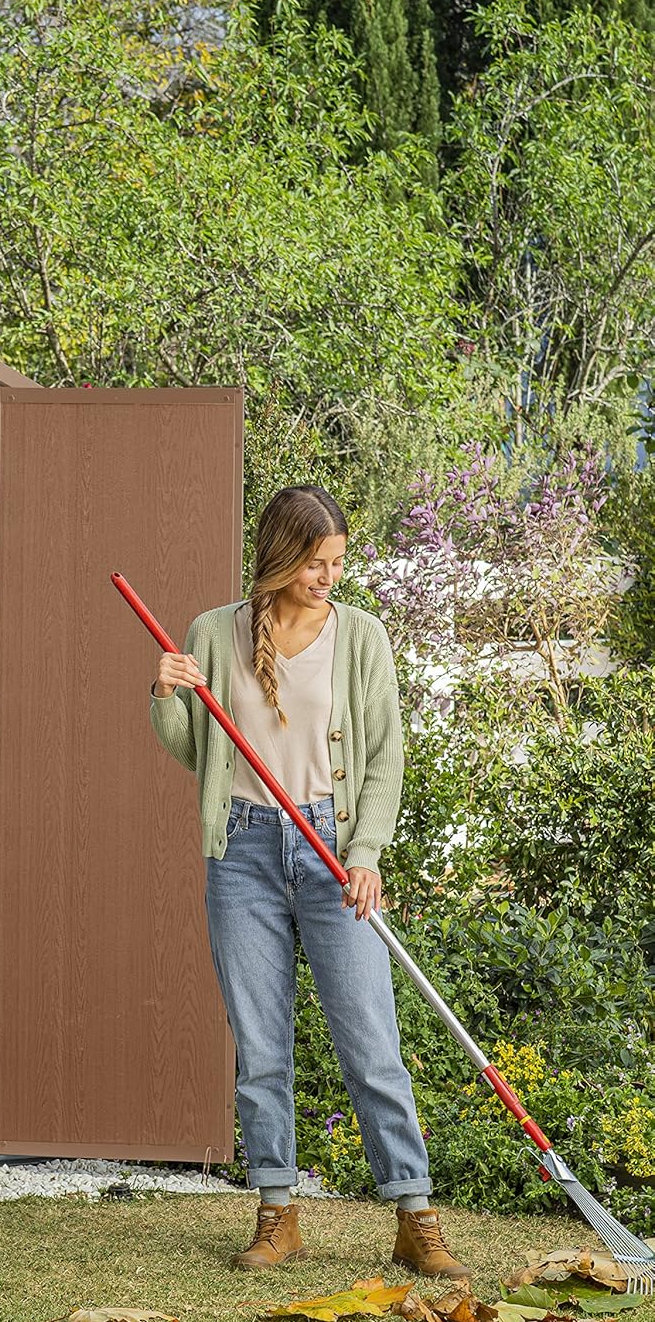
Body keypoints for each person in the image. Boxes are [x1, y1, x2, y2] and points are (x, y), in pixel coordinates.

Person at [148, 485, 468, 1279]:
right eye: (318, 563)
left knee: (372, 1045)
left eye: (337, 563)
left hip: (332, 850)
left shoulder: (362, 637)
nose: (330, 577)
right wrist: (166, 692)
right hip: (244, 852)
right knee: (261, 1047)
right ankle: (276, 1212)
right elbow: (196, 753)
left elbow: (385, 758)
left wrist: (367, 852)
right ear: (283, 556)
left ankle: (415, 1214)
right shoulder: (213, 634)